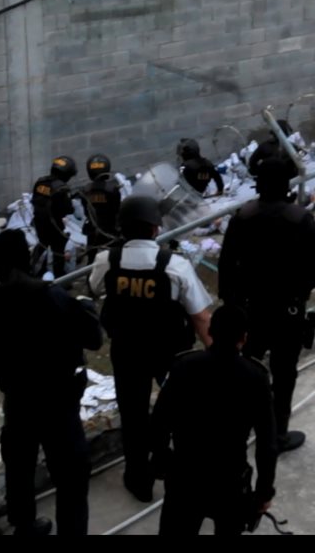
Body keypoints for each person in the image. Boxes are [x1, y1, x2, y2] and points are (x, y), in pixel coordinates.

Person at [0, 229, 102, 536]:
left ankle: (25, 526)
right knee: (70, 476)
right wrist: (85, 309)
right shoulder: (52, 296)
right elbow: (93, 340)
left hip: (18, 400)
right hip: (58, 402)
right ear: (27, 259)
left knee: (19, 467)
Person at [89, 196, 213, 503]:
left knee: (133, 418)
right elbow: (200, 316)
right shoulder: (175, 265)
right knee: (181, 414)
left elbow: (96, 288)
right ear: (156, 227)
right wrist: (219, 356)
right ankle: (180, 471)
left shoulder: (106, 260)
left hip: (127, 352)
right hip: (169, 354)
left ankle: (139, 480)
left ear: (122, 227)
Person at [219, 158, 315, 453]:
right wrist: (299, 292)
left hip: (249, 309)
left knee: (244, 372)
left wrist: (232, 303)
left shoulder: (243, 217)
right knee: (284, 374)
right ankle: (277, 435)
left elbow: (226, 266)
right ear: (286, 186)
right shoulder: (300, 219)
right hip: (287, 310)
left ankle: (237, 434)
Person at [152, 305, 278, 536]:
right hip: (229, 480)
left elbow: (159, 421)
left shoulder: (184, 366)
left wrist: (163, 461)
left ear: (210, 331)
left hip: (185, 476)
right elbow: (267, 444)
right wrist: (263, 493)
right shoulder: (255, 377)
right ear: (244, 338)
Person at [30, 156, 78, 279]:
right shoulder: (62, 188)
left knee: (42, 246)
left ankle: (35, 271)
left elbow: (35, 201)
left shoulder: (40, 182)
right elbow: (68, 210)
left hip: (39, 222)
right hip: (54, 226)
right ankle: (59, 277)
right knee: (58, 251)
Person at [81, 154, 122, 265]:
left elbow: (86, 211)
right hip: (110, 231)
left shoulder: (85, 190)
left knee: (91, 260)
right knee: (116, 259)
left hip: (92, 230)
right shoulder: (113, 189)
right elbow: (116, 211)